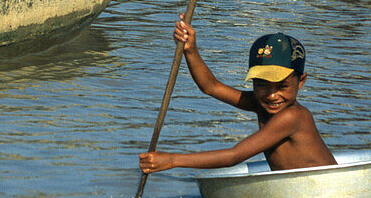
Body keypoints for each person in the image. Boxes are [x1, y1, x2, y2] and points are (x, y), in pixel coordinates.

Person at [139, 25, 336, 174]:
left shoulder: (293, 116)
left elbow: (234, 156)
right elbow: (211, 87)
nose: (272, 95)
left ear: (301, 81)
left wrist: (172, 160)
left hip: (326, 190)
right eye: (261, 85)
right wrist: (190, 50)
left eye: (282, 86)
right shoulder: (263, 105)